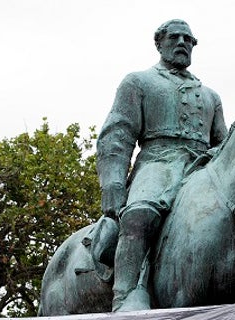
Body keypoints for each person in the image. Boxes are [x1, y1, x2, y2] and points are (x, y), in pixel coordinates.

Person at [96, 19, 228, 312]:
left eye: (188, 39)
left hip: (202, 167)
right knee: (140, 214)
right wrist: (114, 183)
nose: (182, 42)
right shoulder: (139, 82)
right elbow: (117, 135)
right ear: (159, 43)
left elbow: (223, 144)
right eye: (175, 37)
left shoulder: (210, 96)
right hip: (158, 163)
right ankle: (127, 296)